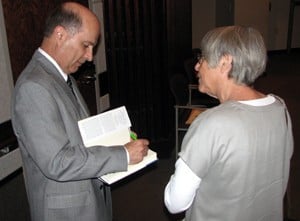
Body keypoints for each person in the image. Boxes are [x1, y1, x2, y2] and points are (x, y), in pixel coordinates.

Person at [11, 2, 149, 221]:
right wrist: (121, 154)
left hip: (87, 199)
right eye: (86, 45)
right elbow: (57, 161)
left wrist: (116, 140)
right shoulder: (33, 87)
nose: (90, 56)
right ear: (60, 34)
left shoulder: (62, 77)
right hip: (66, 211)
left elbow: (78, 137)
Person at [164, 26, 293, 221]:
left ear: (225, 62)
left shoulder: (212, 124)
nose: (197, 67)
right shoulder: (280, 108)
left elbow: (175, 202)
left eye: (203, 58)